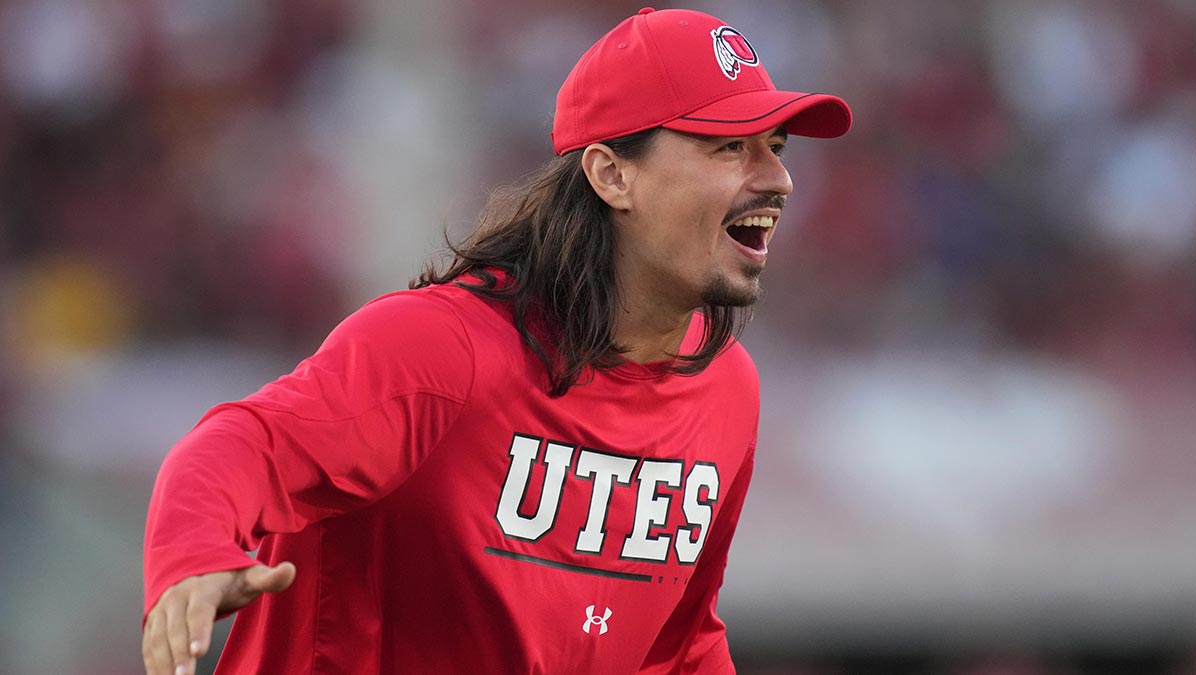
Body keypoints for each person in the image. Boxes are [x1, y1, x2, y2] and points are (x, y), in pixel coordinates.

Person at [140, 6, 851, 674]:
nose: (779, 178)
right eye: (729, 148)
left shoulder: (727, 390)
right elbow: (241, 443)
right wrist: (193, 552)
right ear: (611, 174)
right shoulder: (442, 350)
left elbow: (678, 642)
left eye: (776, 147)